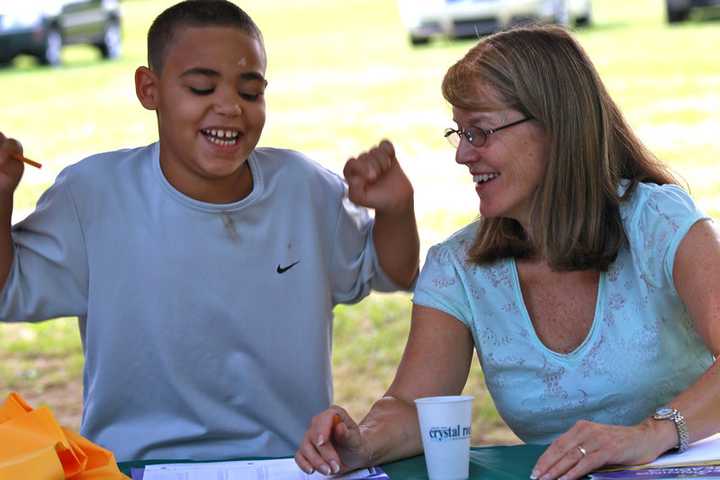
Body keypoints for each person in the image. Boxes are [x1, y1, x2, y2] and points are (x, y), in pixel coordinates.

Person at [294, 24, 720, 480]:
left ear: (556, 127)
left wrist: (650, 434)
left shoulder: (658, 221)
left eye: (479, 132)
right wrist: (362, 441)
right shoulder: (458, 267)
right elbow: (413, 406)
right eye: (457, 132)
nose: (461, 154)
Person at [0, 0, 419, 463]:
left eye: (251, 91)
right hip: (137, 465)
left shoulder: (304, 188)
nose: (229, 108)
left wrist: (396, 210)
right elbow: (8, 291)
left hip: (291, 464)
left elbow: (392, 271)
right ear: (149, 88)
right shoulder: (93, 194)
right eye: (202, 87)